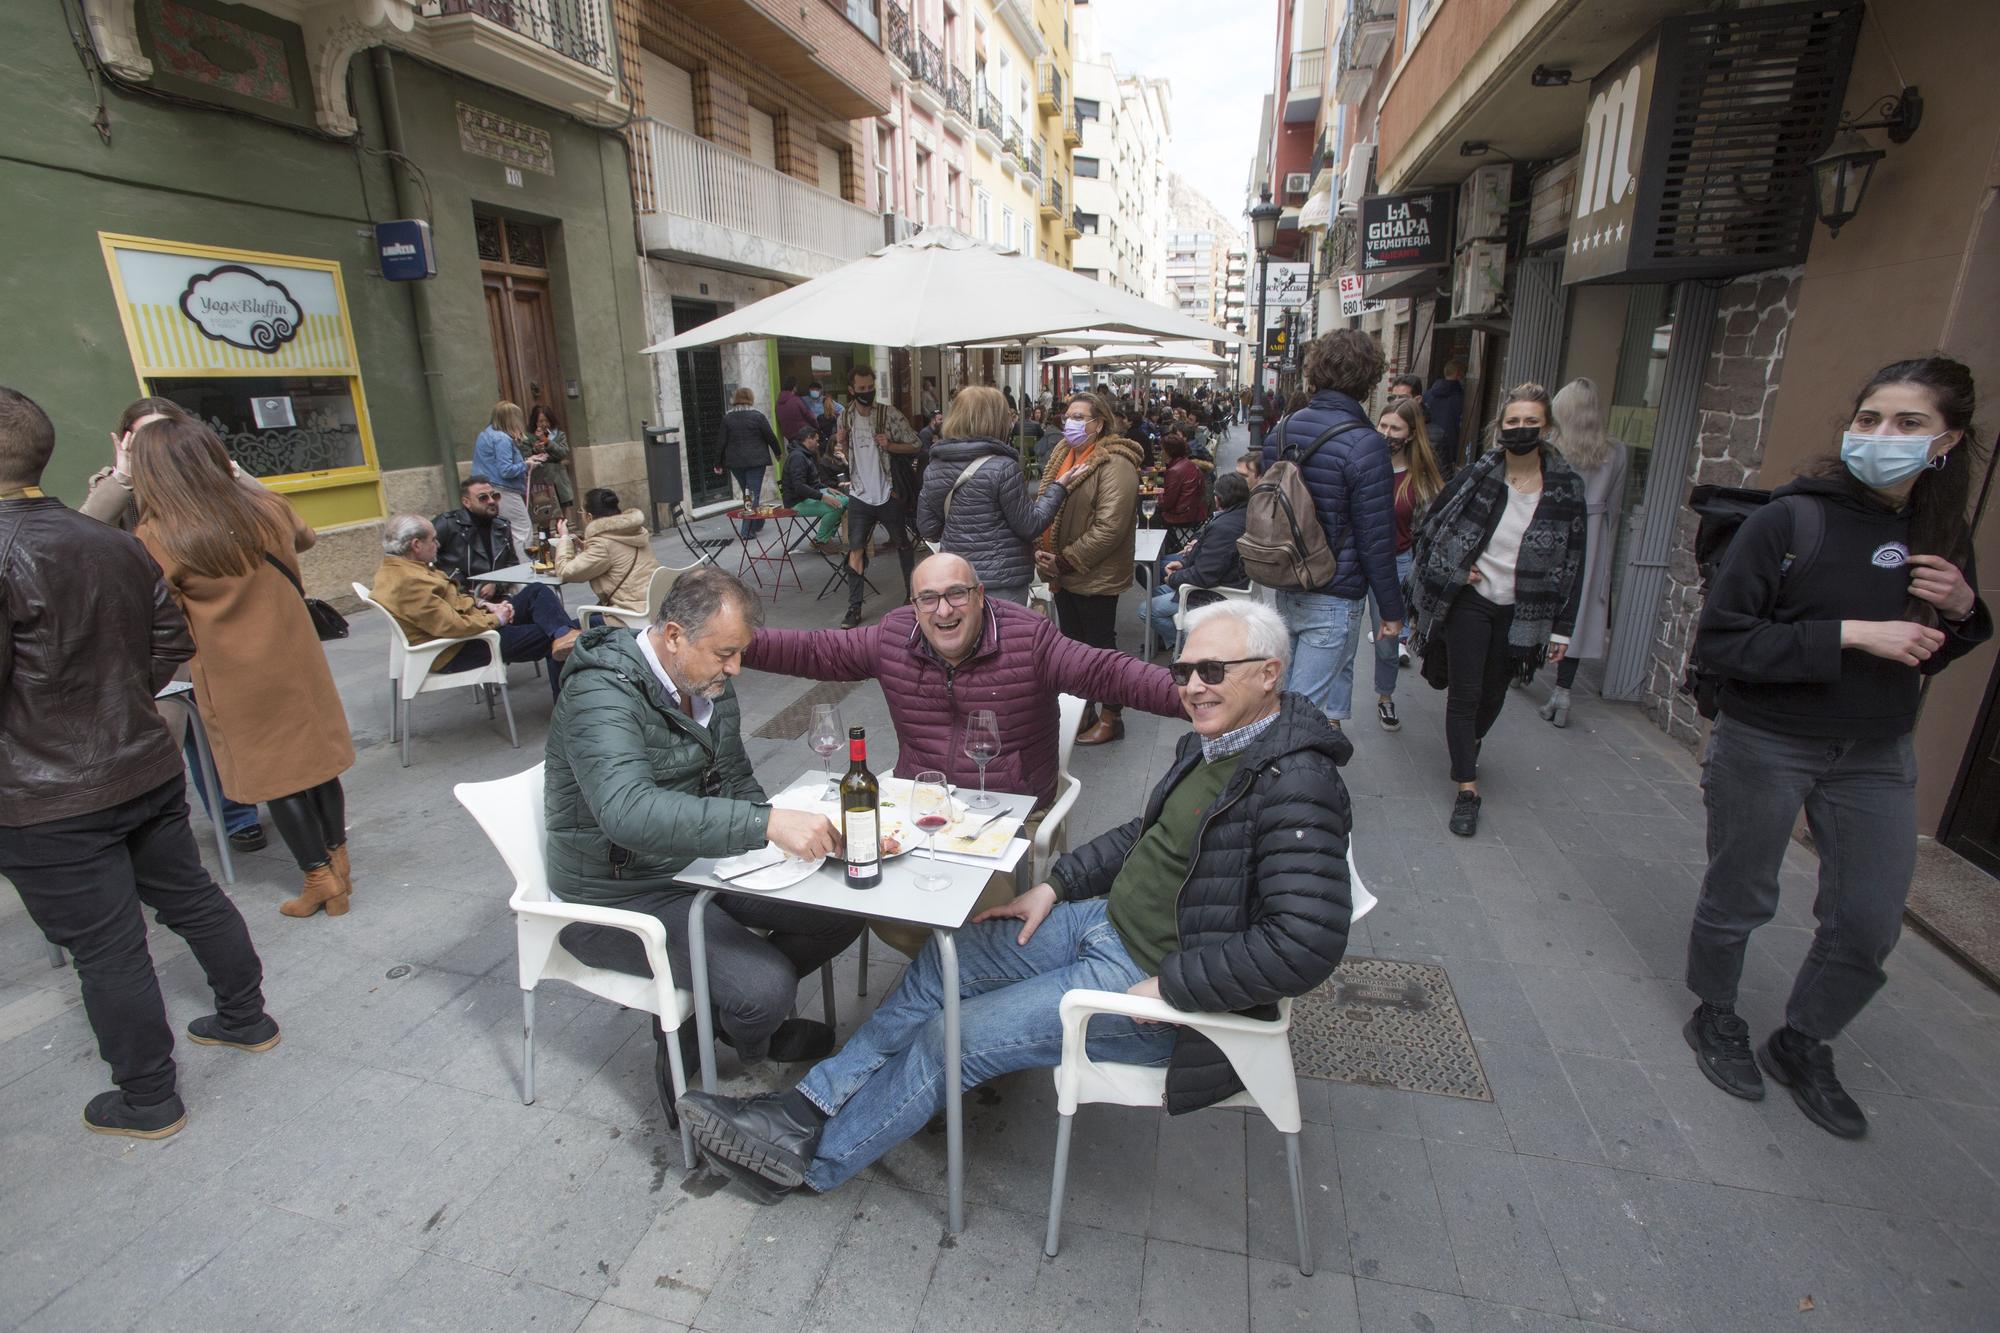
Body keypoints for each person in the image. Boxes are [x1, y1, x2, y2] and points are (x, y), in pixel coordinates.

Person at [677, 600, 1354, 1203]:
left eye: (1212, 671)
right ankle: (804, 1105)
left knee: (958, 1035)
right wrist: (1053, 885)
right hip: (1105, 924)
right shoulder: (1216, 742)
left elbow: (1306, 943)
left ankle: (810, 1162)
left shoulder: (1297, 780)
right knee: (948, 963)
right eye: (1183, 673)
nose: (1193, 687)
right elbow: (1146, 834)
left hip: (1159, 990)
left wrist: (1172, 985)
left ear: (1270, 672)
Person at [1682, 356, 1990, 1140]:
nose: (1881, 436)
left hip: (1876, 750)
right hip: (1768, 738)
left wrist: (1963, 611)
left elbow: (1931, 647)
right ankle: (1715, 1013)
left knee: (1869, 916)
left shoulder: (1941, 533)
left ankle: (1803, 1038)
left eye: (1907, 424)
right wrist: (1851, 634)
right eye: (1869, 418)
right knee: (1741, 892)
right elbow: (1723, 640)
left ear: (1946, 442)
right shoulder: (1789, 520)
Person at [0, 387, 277, 1140]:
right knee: (186, 895)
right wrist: (114, 700)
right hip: (137, 760)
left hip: (48, 793)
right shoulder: (113, 538)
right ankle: (246, 1014)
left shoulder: (74, 537)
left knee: (108, 945)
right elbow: (166, 644)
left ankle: (150, 1094)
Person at [745, 552, 1181, 954]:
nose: (944, 609)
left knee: (975, 926)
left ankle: (958, 993)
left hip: (1005, 816)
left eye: (957, 593)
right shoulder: (893, 637)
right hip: (920, 810)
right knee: (886, 913)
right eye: (929, 598)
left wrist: (1196, 696)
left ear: (979, 596)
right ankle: (946, 986)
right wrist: (731, 645)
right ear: (914, 606)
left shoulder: (1028, 638)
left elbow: (1108, 671)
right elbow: (813, 651)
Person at [544, 569, 862, 1088]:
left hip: (694, 863)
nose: (736, 668)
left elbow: (733, 777)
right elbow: (628, 813)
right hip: (615, 896)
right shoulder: (599, 690)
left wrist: (782, 848)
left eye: (739, 652)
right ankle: (751, 1030)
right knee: (765, 987)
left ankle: (714, 1014)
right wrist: (766, 823)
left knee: (843, 909)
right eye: (724, 654)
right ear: (673, 636)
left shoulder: (703, 678)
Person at [129, 415, 358, 919]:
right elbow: (306, 536)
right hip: (298, 659)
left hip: (236, 672)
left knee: (278, 778)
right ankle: (338, 868)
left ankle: (320, 881)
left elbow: (158, 617)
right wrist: (239, 476)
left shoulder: (159, 533)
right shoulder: (264, 507)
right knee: (316, 767)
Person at [83, 396, 267, 854]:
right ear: (125, 441)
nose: (157, 443)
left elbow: (278, 516)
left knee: (227, 725)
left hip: (216, 623)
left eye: (166, 430)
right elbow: (80, 538)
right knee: (174, 734)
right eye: (143, 434)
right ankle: (184, 827)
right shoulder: (115, 487)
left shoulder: (208, 480)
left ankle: (248, 806)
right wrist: (122, 478)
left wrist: (230, 468)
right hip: (152, 634)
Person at [1404, 384, 1586, 838]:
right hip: (1472, 601)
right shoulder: (1476, 476)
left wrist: (1563, 630)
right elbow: (1429, 530)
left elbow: (1574, 562)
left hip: (1524, 608)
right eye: (1512, 423)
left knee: (1494, 693)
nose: (1521, 430)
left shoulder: (1565, 488)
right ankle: (1468, 788)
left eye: (1531, 423)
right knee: (1464, 696)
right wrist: (1452, 568)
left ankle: (1471, 742)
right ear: (1499, 428)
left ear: (1547, 429)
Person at [1259, 331, 1406, 730]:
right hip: (1335, 593)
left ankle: (1301, 772)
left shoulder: (1282, 429)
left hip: (1286, 582)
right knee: (1300, 714)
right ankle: (1281, 784)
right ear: (1369, 379)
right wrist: (1392, 611)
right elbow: (1377, 538)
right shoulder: (1366, 444)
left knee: (1284, 697)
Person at [1034, 391, 1144, 745]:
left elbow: (1110, 527)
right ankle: (1084, 711)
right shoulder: (1064, 454)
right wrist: (1044, 549)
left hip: (1094, 574)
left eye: (1080, 417)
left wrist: (1065, 558)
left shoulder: (1116, 463)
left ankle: (1113, 716)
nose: (1071, 422)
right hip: (1062, 573)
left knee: (1099, 648)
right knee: (1073, 646)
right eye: (1068, 415)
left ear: (1099, 423)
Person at [371, 516, 581, 697]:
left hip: (472, 627)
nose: (437, 544)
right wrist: (495, 619)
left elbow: (451, 601)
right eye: (433, 540)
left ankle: (565, 633)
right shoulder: (409, 581)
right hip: (459, 647)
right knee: (551, 636)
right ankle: (566, 704)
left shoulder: (404, 568)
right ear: (416, 545)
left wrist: (484, 604)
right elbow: (451, 626)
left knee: (537, 591)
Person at [915, 386, 1069, 604]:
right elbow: (1030, 525)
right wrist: (1058, 488)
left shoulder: (934, 468)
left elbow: (928, 529)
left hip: (958, 578)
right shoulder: (1003, 467)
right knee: (1001, 636)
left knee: (969, 637)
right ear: (995, 420)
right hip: (1003, 581)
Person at [1539, 378, 1630, 728]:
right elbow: (1616, 506)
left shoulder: (1551, 448)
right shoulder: (1616, 451)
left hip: (1554, 525)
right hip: (1593, 530)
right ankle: (1563, 689)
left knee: (1542, 596)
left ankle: (1522, 665)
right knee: (1581, 609)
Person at [1367, 398, 1446, 732]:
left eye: (1395, 428)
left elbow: (1428, 533)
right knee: (1339, 642)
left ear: (1412, 434)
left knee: (1387, 644)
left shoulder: (1421, 481)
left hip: (1396, 562)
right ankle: (1333, 713)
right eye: (1382, 426)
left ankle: (1385, 697)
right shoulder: (1366, 465)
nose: (1386, 434)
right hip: (1355, 562)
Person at [833, 365, 919, 629]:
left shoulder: (888, 414)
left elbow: (916, 443)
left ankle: (912, 597)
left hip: (887, 493)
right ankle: (854, 609)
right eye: (861, 389)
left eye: (870, 388)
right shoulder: (844, 418)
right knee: (855, 550)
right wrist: (842, 444)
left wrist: (890, 445)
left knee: (903, 545)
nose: (867, 393)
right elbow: (847, 456)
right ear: (851, 390)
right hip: (859, 495)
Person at [1146, 472, 1251, 652]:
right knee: (1155, 590)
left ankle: (1194, 649)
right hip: (1226, 580)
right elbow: (1208, 557)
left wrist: (1173, 578)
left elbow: (1204, 575)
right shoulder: (1239, 516)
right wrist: (1184, 564)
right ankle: (1169, 642)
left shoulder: (1224, 527)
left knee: (1146, 609)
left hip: (1213, 593)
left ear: (1218, 499)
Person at [553, 487, 664, 626]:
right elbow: (616, 553)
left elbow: (564, 572)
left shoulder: (602, 545)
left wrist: (564, 538)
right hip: (655, 605)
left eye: (581, 511)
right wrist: (584, 546)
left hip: (631, 615)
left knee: (566, 629)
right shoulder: (634, 530)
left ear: (589, 517)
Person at [472, 402, 537, 564]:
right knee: (522, 528)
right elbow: (506, 470)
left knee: (501, 530)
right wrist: (527, 464)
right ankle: (524, 567)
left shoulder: (485, 434)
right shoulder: (502, 439)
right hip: (503, 489)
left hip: (486, 487)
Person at [434, 476, 521, 594]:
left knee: (537, 591)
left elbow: (512, 565)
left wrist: (496, 585)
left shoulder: (502, 526)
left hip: (499, 598)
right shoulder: (448, 523)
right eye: (483, 498)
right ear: (466, 502)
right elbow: (422, 559)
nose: (491, 501)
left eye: (494, 496)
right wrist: (454, 585)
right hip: (460, 599)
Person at [721, 387, 782, 539]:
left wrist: (718, 462)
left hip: (736, 463)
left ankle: (757, 521)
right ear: (751, 398)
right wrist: (778, 452)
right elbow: (770, 436)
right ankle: (747, 530)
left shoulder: (727, 418)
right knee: (752, 494)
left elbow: (721, 441)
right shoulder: (757, 416)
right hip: (756, 461)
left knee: (748, 493)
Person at [781, 428, 847, 548]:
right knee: (837, 505)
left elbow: (812, 482)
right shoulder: (798, 457)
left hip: (804, 497)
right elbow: (799, 487)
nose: (818, 443)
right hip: (796, 502)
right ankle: (821, 540)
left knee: (845, 499)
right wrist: (823, 497)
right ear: (808, 439)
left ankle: (826, 536)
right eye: (816, 440)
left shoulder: (804, 454)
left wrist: (826, 488)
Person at [1155, 433, 1208, 551]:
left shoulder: (1175, 470)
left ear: (1168, 452)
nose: (1161, 453)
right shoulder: (1188, 464)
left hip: (1182, 514)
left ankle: (1161, 550)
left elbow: (1167, 503)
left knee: (1150, 515)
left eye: (1162, 450)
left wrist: (1158, 496)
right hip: (1196, 511)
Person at [526, 403, 574, 529]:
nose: (544, 423)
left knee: (564, 513)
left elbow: (563, 452)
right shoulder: (528, 437)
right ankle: (545, 542)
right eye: (540, 420)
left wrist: (548, 442)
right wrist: (535, 450)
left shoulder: (559, 435)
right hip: (542, 480)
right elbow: (525, 455)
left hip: (559, 479)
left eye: (546, 420)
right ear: (535, 421)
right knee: (544, 513)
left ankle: (565, 538)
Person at [1424, 359, 1467, 471]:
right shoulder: (1463, 398)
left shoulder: (1427, 395)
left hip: (1425, 446)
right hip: (1449, 451)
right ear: (1459, 374)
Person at [776, 378, 817, 444]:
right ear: (794, 387)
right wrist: (816, 427)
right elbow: (809, 415)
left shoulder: (778, 403)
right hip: (803, 435)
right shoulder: (796, 400)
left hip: (789, 436)